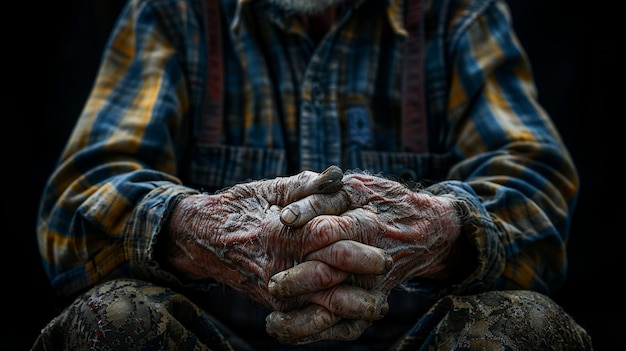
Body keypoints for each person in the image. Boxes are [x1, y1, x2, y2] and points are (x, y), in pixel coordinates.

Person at [33, 0, 593, 349]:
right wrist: (196, 229)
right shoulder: (174, 12)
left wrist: (440, 229)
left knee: (526, 325)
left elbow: (536, 182)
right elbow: (77, 199)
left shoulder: (456, 11)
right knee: (113, 321)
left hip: (413, 342)